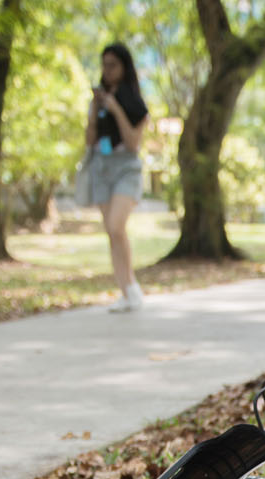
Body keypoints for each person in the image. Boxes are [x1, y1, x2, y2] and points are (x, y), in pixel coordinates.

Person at [84, 42, 150, 313]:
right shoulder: (97, 99)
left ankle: (132, 287)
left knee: (115, 226)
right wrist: (93, 114)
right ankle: (125, 290)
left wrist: (115, 109)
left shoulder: (133, 101)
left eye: (112, 65)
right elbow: (89, 140)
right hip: (102, 167)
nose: (107, 70)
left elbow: (133, 142)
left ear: (124, 67)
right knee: (111, 233)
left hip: (126, 167)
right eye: (104, 64)